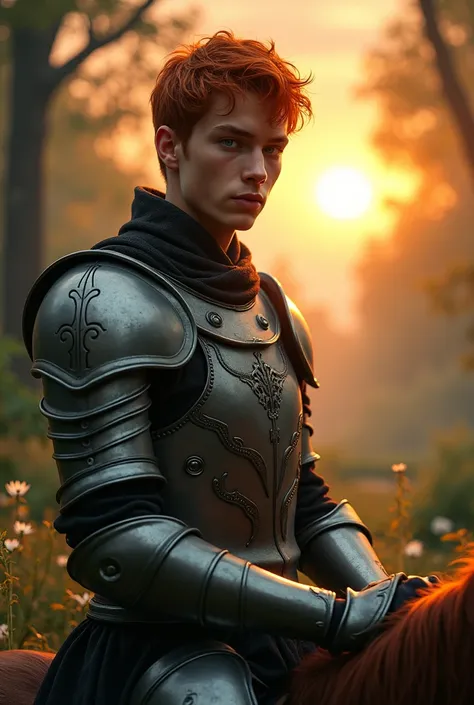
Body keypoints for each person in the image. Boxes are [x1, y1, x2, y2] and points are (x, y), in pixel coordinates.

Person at [23, 31, 436, 705]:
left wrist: (385, 603)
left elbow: (303, 497)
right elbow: (118, 539)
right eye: (231, 143)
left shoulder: (275, 308)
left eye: (272, 150)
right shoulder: (100, 300)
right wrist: (334, 614)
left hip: (281, 636)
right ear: (170, 147)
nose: (258, 171)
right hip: (159, 654)